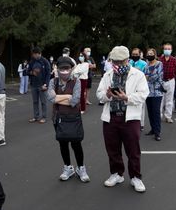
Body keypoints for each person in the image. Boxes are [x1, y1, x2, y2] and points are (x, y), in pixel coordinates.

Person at [96, 46, 150, 193]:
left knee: (133, 150)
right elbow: (99, 94)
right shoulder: (108, 75)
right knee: (112, 148)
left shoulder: (138, 75)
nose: (118, 64)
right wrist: (107, 95)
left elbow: (143, 94)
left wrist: (127, 97)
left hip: (130, 118)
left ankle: (136, 177)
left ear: (127, 60)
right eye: (115, 61)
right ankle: (116, 173)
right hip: (111, 117)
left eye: (120, 61)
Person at [47, 57, 89, 182]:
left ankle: (81, 168)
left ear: (71, 69)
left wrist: (58, 98)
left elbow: (75, 100)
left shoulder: (77, 81)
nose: (64, 71)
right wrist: (67, 97)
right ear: (57, 69)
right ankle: (68, 167)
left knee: (76, 143)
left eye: (67, 68)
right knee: (63, 143)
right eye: (62, 68)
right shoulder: (52, 82)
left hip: (73, 118)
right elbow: (50, 98)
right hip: (58, 118)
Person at [27, 47, 51, 123]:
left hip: (42, 85)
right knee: (35, 101)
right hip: (33, 85)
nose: (33, 56)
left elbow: (48, 74)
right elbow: (27, 71)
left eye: (34, 54)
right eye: (33, 54)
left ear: (38, 54)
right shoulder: (32, 61)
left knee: (43, 102)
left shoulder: (45, 61)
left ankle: (44, 117)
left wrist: (46, 84)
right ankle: (36, 117)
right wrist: (32, 73)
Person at [143, 49, 163, 141]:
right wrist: (147, 77)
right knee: (150, 112)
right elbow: (143, 76)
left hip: (157, 92)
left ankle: (157, 132)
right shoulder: (146, 66)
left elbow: (157, 76)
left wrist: (148, 77)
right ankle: (153, 129)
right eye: (148, 54)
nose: (149, 55)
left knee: (156, 112)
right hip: (148, 92)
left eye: (151, 54)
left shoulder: (159, 64)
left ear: (155, 55)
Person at [158, 44, 176, 123]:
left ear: (171, 50)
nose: (167, 50)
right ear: (163, 50)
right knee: (160, 99)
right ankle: (159, 115)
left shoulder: (174, 60)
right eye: (165, 48)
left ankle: (168, 116)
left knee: (169, 99)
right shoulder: (159, 60)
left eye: (169, 49)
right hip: (161, 81)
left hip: (170, 81)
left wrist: (172, 77)